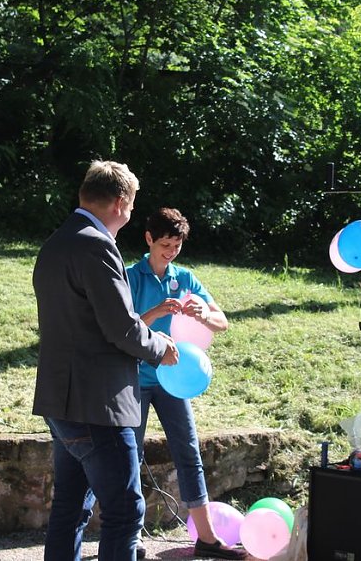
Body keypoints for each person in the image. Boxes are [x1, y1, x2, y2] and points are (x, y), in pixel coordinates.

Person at [32, 161, 180, 561]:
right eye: (131, 206)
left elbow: (90, 322)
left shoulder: (57, 242)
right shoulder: (96, 246)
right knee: (125, 513)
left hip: (62, 403)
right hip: (98, 405)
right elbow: (120, 328)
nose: (131, 214)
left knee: (70, 509)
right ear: (119, 202)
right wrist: (159, 348)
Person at [126, 208, 246, 560]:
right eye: (165, 244)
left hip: (175, 380)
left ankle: (206, 538)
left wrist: (203, 315)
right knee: (129, 456)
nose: (171, 251)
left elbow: (221, 322)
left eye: (177, 245)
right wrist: (156, 313)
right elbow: (121, 326)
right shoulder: (131, 277)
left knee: (189, 453)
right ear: (149, 239)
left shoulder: (186, 277)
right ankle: (130, 537)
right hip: (135, 378)